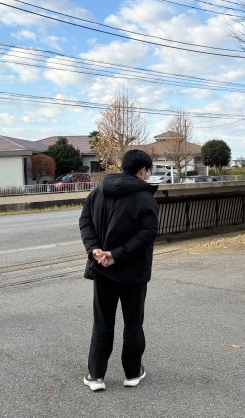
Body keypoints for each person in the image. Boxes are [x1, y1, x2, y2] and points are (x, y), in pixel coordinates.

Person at [79, 149, 158, 392]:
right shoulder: (145, 197)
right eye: (148, 170)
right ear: (142, 170)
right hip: (133, 272)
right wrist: (116, 255)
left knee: (102, 323)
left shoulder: (98, 192)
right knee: (133, 323)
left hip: (102, 269)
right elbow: (147, 234)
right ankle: (132, 373)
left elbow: (85, 222)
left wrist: (94, 250)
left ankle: (96, 375)